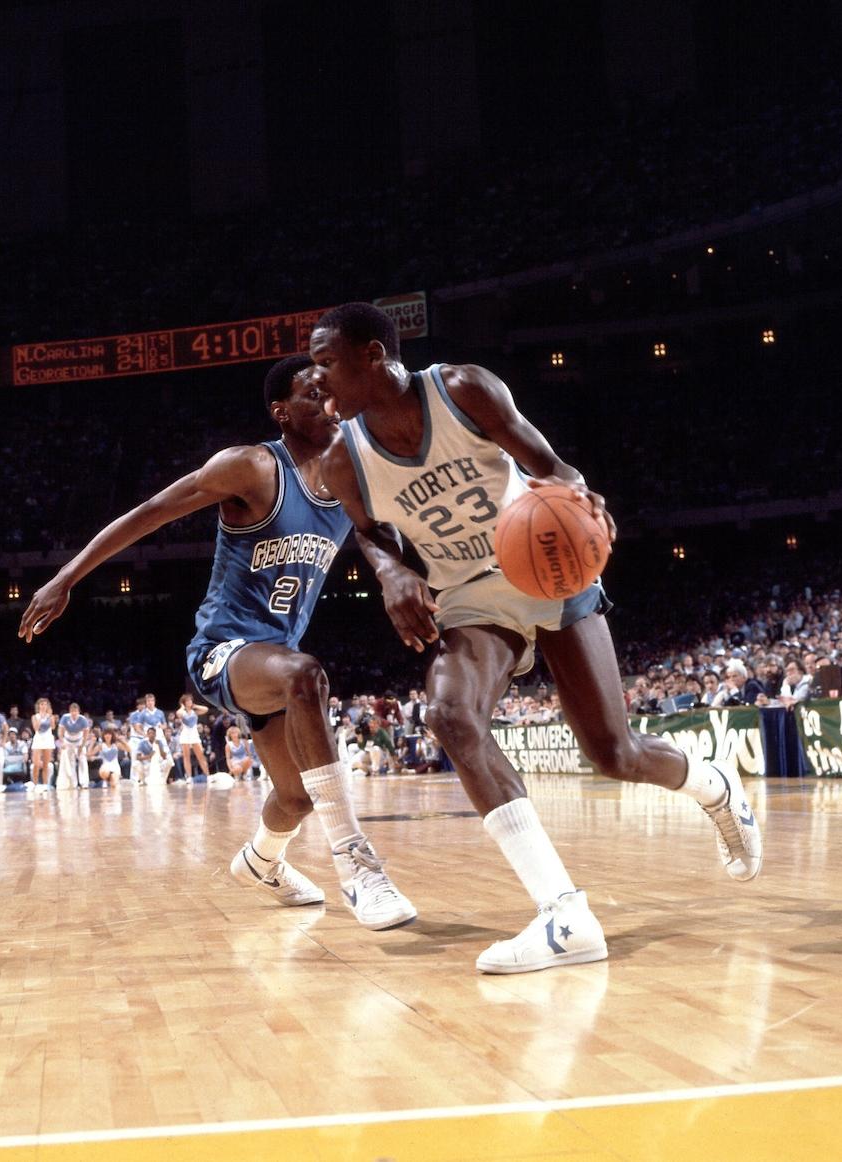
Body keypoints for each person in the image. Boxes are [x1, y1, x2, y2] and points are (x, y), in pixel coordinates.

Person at [313, 301, 761, 972]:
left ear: (373, 355)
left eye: (325, 363)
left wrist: (584, 508)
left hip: (546, 567)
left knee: (614, 753)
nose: (316, 381)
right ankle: (564, 914)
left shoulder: (463, 388)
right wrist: (389, 573)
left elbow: (555, 469)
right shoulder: (344, 459)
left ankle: (711, 784)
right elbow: (369, 534)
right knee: (448, 715)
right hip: (468, 594)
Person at [19, 353, 415, 930]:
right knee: (306, 673)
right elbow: (151, 513)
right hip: (222, 654)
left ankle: (261, 862)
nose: (329, 404)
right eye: (311, 395)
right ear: (280, 411)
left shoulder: (349, 476)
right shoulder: (251, 467)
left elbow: (389, 534)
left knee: (296, 800)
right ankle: (358, 867)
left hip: (275, 666)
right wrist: (65, 579)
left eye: (332, 392)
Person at [175, 693, 211, 780]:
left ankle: (208, 775)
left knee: (200, 756)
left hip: (194, 734)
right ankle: (189, 777)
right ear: (184, 702)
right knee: (186, 757)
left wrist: (195, 705)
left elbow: (206, 709)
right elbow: (178, 713)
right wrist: (182, 707)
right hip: (185, 734)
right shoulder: (182, 712)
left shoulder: (195, 711)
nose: (189, 702)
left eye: (190, 700)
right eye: (187, 700)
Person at [29, 697, 56, 796]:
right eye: (41, 704)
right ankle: (35, 785)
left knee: (45, 765)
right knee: (36, 764)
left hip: (48, 739)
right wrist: (41, 718)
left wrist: (50, 716)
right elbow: (36, 728)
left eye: (45, 704)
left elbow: (53, 727)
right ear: (38, 706)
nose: (43, 706)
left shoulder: (51, 716)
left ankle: (45, 785)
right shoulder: (35, 717)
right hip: (38, 740)